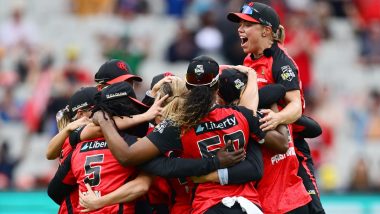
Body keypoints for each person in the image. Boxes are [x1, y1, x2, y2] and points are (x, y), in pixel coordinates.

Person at [92, 55, 289, 213]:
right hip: (248, 205)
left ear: (187, 86)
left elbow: (128, 157)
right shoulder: (242, 115)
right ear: (217, 87)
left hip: (206, 204)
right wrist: (277, 112)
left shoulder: (178, 125)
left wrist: (103, 119)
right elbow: (279, 145)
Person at [227, 1, 324, 213]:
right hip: (265, 147)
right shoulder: (247, 61)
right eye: (240, 24)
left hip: (289, 148)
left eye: (247, 24)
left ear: (266, 31)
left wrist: (277, 118)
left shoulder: (282, 62)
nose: (240, 29)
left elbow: (296, 107)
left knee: (314, 209)